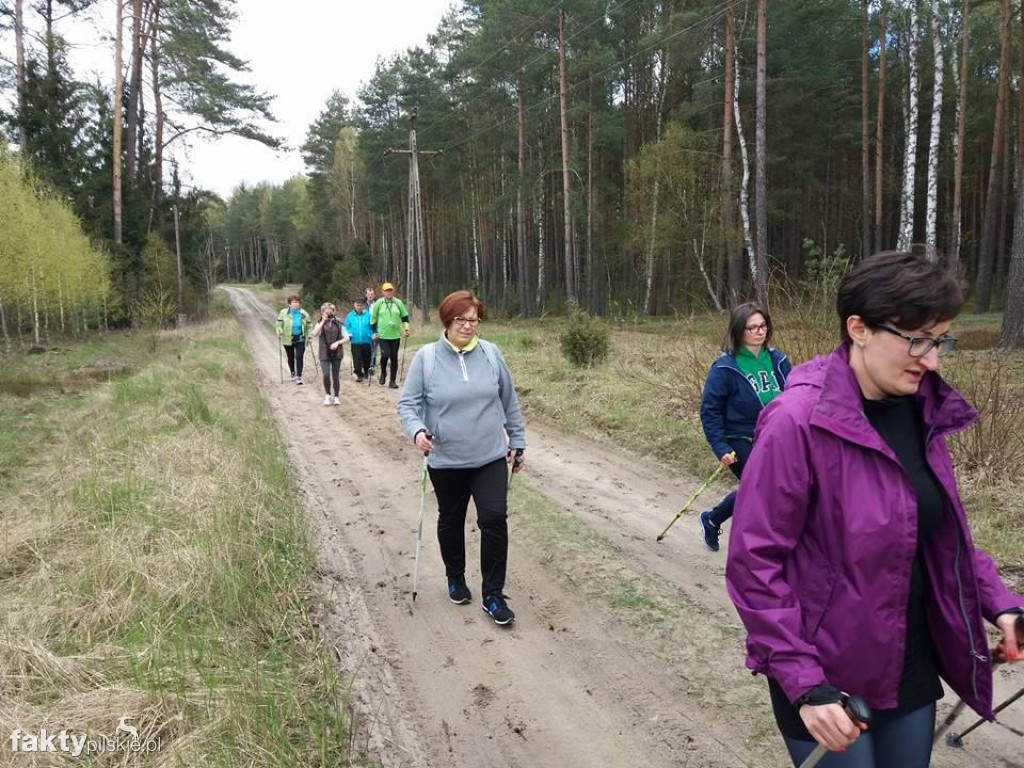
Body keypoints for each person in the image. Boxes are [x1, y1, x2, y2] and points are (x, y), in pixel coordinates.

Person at [725, 251, 1024, 768]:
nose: (931, 360)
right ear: (858, 328)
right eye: (916, 340)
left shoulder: (921, 409)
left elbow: (936, 530)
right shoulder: (796, 421)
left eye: (940, 340)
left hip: (907, 659)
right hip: (825, 671)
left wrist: (1000, 602)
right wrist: (803, 681)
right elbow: (755, 565)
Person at [397, 290, 527, 626]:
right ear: (447, 320)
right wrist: (417, 432)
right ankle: (455, 577)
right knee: (451, 520)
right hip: (446, 459)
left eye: (474, 320)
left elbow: (509, 400)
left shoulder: (491, 354)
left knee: (494, 519)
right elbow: (407, 405)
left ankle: (493, 596)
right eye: (461, 319)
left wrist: (518, 439)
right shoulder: (426, 359)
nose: (468, 326)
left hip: (489, 456)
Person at [697, 302, 790, 552]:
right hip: (740, 438)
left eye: (763, 326)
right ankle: (762, 545)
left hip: (775, 436)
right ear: (739, 331)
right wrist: (720, 447)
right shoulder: (725, 367)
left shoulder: (778, 359)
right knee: (763, 486)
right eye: (752, 327)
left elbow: (796, 395)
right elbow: (710, 410)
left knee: (773, 488)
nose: (759, 331)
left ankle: (713, 518)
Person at [370, 282, 410, 389]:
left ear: (393, 291)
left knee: (394, 357)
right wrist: (374, 332)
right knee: (385, 354)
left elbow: (405, 317)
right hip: (382, 335)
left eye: (390, 290)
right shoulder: (379, 303)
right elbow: (373, 319)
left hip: (395, 335)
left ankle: (392, 381)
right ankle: (383, 373)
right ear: (383, 292)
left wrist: (406, 329)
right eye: (386, 291)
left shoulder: (398, 303)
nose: (389, 292)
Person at [312, 303, 348, 405]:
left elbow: (347, 337)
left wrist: (338, 343)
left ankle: (336, 396)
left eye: (330, 311)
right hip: (324, 353)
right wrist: (323, 321)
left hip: (337, 353)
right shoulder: (320, 323)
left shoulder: (339, 323)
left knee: (336, 375)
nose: (328, 313)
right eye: (325, 311)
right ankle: (327, 395)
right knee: (326, 374)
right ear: (322, 312)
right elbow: (314, 334)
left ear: (334, 311)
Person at [275, 294, 311, 385]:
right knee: (290, 357)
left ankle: (299, 376)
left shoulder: (303, 313)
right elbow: (278, 325)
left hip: (300, 338)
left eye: (297, 302)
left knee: (299, 357)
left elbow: (309, 326)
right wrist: (279, 331)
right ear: (289, 304)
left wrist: (310, 335)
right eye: (293, 302)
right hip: (288, 339)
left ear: (299, 303)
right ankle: (292, 372)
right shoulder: (283, 313)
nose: (295, 304)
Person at [344, 297, 373, 382]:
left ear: (364, 306)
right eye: (357, 305)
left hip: (366, 341)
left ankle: (366, 372)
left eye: (361, 305)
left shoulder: (368, 314)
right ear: (354, 305)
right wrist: (350, 333)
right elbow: (346, 327)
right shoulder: (350, 315)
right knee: (357, 359)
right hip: (355, 341)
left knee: (366, 358)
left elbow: (372, 326)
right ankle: (359, 375)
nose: (359, 307)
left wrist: (371, 334)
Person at [365, 287, 377, 377]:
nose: (370, 296)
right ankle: (364, 365)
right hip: (364, 329)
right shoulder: (361, 305)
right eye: (369, 294)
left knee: (374, 348)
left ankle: (372, 366)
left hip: (374, 329)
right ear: (366, 295)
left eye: (372, 294)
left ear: (374, 295)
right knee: (366, 348)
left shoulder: (377, 305)